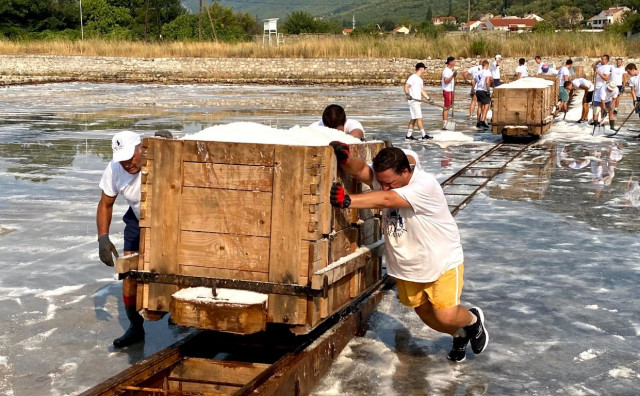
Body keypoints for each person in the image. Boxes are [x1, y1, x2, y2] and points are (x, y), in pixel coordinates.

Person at [327, 144, 488, 362]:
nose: (384, 187)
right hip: (407, 266)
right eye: (382, 183)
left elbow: (387, 200)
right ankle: (459, 335)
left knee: (446, 314)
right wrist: (345, 160)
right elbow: (362, 171)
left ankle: (472, 321)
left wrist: (348, 201)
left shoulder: (424, 185)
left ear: (405, 172)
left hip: (441, 260)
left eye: (389, 183)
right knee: (427, 316)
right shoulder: (388, 180)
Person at [97, 130, 172, 348]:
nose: (127, 164)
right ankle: (135, 327)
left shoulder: (158, 158)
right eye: (121, 160)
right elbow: (105, 204)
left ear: (141, 148)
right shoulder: (114, 169)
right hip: (137, 218)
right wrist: (103, 237)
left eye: (130, 157)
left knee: (173, 269)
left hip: (168, 216)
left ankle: (175, 312)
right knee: (129, 272)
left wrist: (169, 145)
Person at [404, 62, 433, 140]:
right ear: (420, 68)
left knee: (414, 118)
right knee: (419, 118)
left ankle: (408, 135)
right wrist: (407, 94)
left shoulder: (420, 79)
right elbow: (406, 86)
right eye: (424, 68)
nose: (424, 70)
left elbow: (421, 90)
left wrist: (428, 98)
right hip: (413, 101)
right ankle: (424, 135)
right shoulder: (413, 77)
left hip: (417, 101)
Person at [475, 60, 493, 130]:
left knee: (479, 106)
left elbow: (475, 81)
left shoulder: (478, 72)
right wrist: (488, 89)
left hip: (478, 90)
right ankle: (483, 121)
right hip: (484, 90)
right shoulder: (487, 71)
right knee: (486, 106)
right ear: (487, 65)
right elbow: (487, 81)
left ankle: (478, 121)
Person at [441, 56, 457, 130]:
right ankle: (445, 123)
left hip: (450, 90)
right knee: (446, 107)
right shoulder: (446, 71)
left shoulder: (450, 70)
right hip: (447, 90)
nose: (455, 63)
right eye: (454, 61)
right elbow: (446, 81)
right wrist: (453, 76)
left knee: (449, 106)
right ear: (450, 62)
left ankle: (446, 121)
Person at [624, 63, 640, 137]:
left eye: (628, 71)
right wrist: (635, 100)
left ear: (633, 70)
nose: (628, 73)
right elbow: (632, 90)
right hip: (638, 97)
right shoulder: (632, 79)